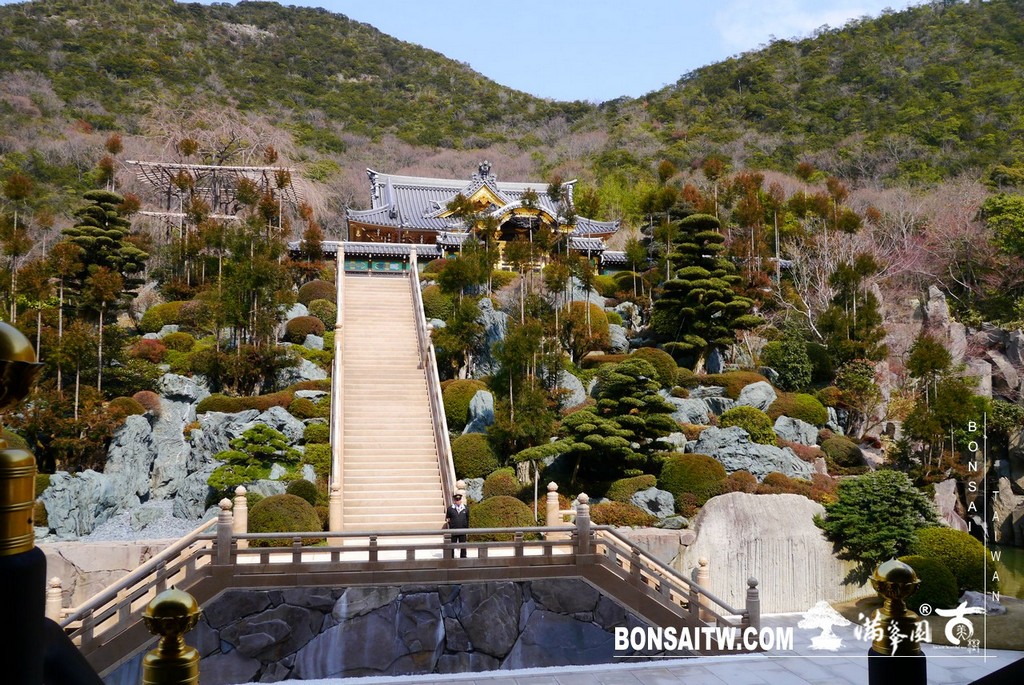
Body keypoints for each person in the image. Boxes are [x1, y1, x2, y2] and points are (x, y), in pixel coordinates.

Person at [445, 490, 469, 558]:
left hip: (462, 530)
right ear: (454, 501)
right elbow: (448, 518)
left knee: (463, 545)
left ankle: (463, 557)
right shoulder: (450, 509)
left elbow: (467, 519)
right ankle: (451, 557)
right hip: (453, 530)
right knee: (452, 545)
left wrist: (467, 529)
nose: (458, 501)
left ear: (461, 500)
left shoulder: (465, 508)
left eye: (459, 500)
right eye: (456, 500)